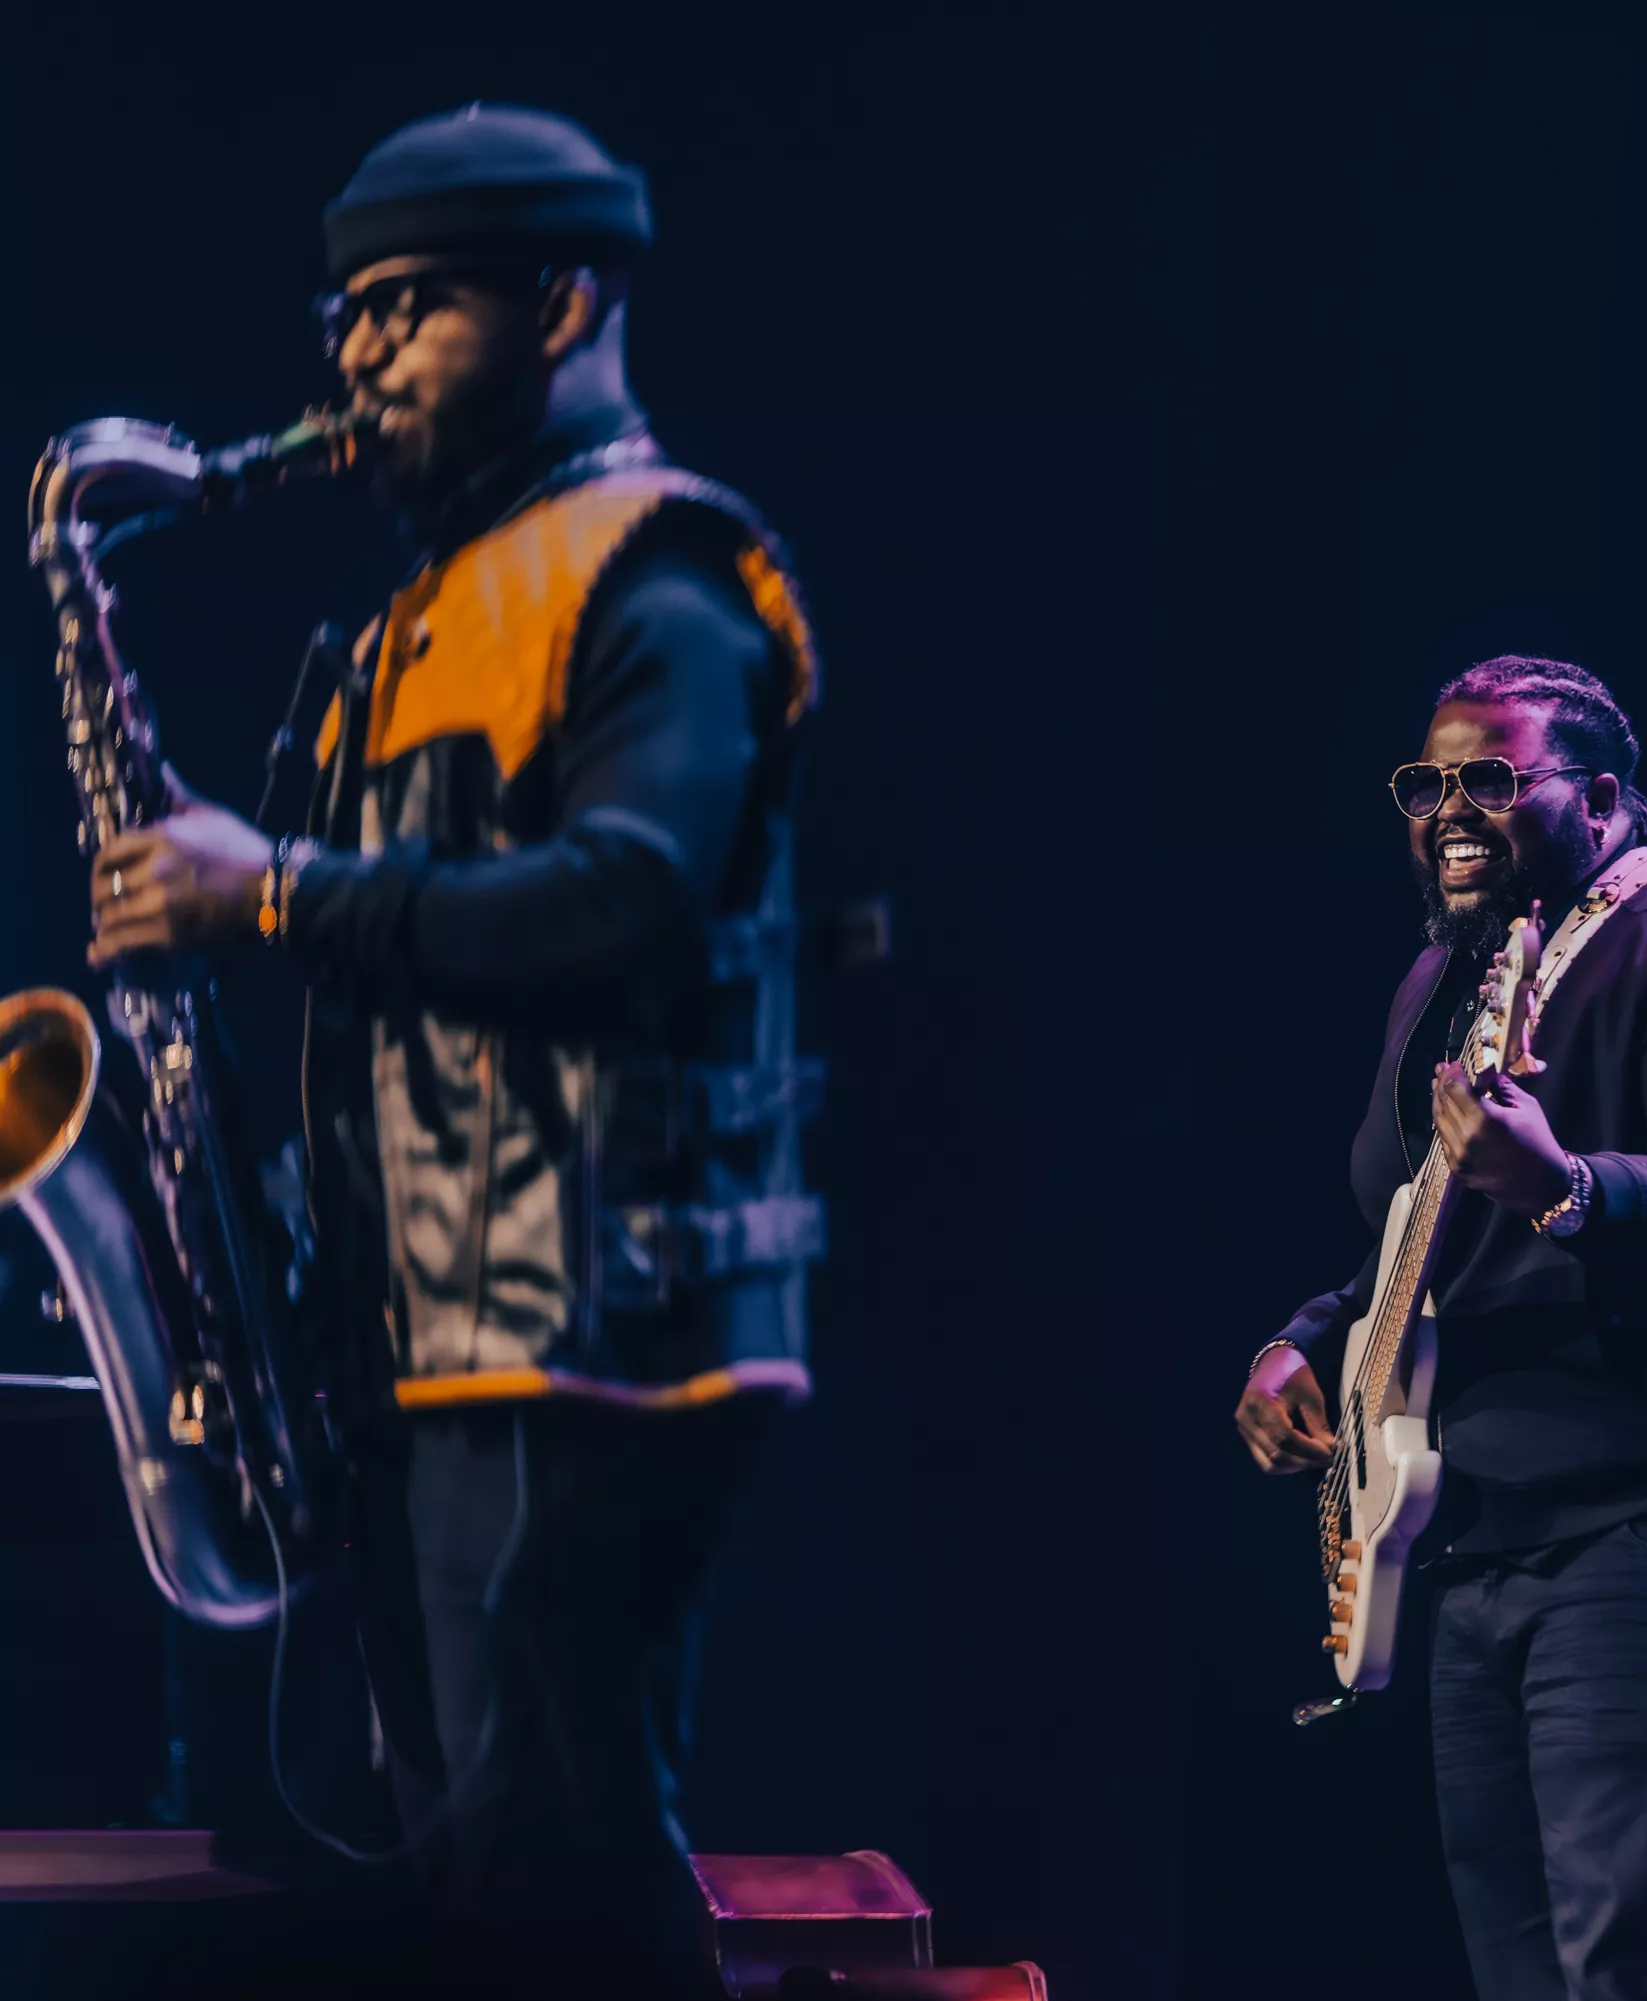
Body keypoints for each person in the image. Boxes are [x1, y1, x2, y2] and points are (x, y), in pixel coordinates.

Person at [87, 104, 821, 1988]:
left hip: (590, 1335)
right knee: (479, 1881)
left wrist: (272, 895)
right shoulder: (433, 608)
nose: (357, 354)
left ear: (564, 302)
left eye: (409, 307)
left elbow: (631, 905)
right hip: (437, 1327)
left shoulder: (656, 578)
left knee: (550, 1870)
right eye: (346, 314)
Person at [1234, 657, 1647, 2001]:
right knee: (1525, 1979)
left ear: (1601, 798)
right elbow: (1424, 1233)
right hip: (1484, 1549)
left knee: (1635, 1966)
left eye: (1492, 780)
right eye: (1427, 784)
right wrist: (1307, 1340)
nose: (1450, 810)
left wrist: (1569, 1186)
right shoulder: (1451, 977)